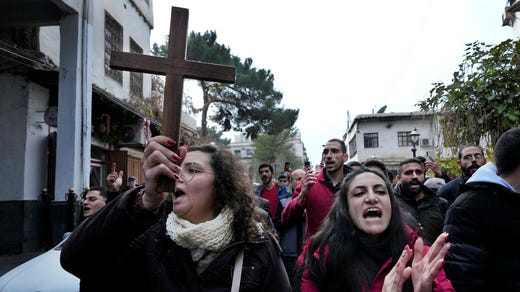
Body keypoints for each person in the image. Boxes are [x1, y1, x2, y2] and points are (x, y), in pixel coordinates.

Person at [61, 136, 291, 291]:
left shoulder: (255, 243)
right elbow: (75, 261)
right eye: (176, 169)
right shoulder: (153, 237)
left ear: (222, 186)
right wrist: (146, 200)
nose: (178, 175)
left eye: (193, 170)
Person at [295, 168, 453, 291]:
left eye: (380, 191)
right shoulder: (319, 258)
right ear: (346, 208)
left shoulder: (420, 256)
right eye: (359, 193)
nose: (371, 198)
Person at [443, 126, 520, 291]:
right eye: (468, 157)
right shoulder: (466, 207)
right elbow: (464, 279)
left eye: (478, 155)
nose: (473, 160)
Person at [282, 138, 352, 243]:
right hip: (316, 253)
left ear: (345, 157)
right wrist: (302, 196)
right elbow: (286, 218)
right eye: (325, 152)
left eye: (334, 151)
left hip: (350, 252)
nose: (328, 155)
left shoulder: (356, 183)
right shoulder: (309, 183)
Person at [394, 158, 449, 245]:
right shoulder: (391, 205)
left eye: (419, 172)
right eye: (409, 173)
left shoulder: (441, 204)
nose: (415, 176)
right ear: (399, 178)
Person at [274, 169, 306, 285]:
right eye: (298, 179)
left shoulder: (314, 198)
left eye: (304, 178)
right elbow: (277, 223)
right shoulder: (283, 200)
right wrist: (293, 214)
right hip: (289, 253)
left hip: (308, 251)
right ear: (291, 181)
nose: (301, 182)